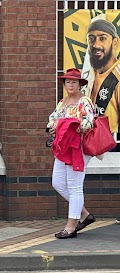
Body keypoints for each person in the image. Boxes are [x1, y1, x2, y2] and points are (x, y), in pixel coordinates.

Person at [47, 68, 96, 239]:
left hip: (78, 147)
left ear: (79, 84)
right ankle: (84, 214)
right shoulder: (63, 102)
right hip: (63, 147)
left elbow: (89, 122)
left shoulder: (85, 102)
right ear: (64, 84)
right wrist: (54, 126)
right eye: (68, 82)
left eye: (74, 82)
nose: (70, 84)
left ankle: (71, 226)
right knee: (57, 182)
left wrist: (69, 125)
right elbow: (52, 119)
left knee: (75, 186)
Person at [83, 18, 120, 133]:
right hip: (89, 139)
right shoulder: (89, 73)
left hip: (112, 141)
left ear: (115, 42)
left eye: (102, 38)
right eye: (91, 39)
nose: (96, 45)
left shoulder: (117, 76)